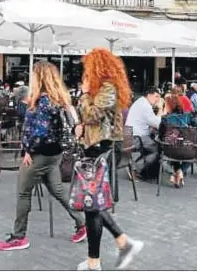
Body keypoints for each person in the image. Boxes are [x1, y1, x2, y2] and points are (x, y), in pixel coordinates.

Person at [0, 61, 87, 252]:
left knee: (23, 192)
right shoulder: (60, 100)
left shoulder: (43, 103)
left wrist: (28, 150)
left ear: (39, 78)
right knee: (57, 190)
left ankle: (18, 237)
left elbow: (39, 132)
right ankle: (81, 223)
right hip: (55, 154)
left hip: (39, 154)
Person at [75, 48, 144, 271]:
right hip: (94, 148)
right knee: (92, 205)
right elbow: (91, 120)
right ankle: (118, 246)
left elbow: (92, 114)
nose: (85, 71)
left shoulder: (107, 88)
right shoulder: (103, 88)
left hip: (100, 150)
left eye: (88, 66)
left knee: (92, 205)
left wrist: (84, 94)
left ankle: (102, 256)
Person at [125, 87, 163, 179]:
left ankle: (138, 169)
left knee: (152, 144)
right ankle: (136, 169)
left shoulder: (141, 102)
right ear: (149, 95)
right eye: (156, 96)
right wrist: (161, 109)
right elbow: (157, 123)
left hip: (128, 132)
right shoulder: (145, 106)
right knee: (156, 149)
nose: (157, 99)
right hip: (135, 135)